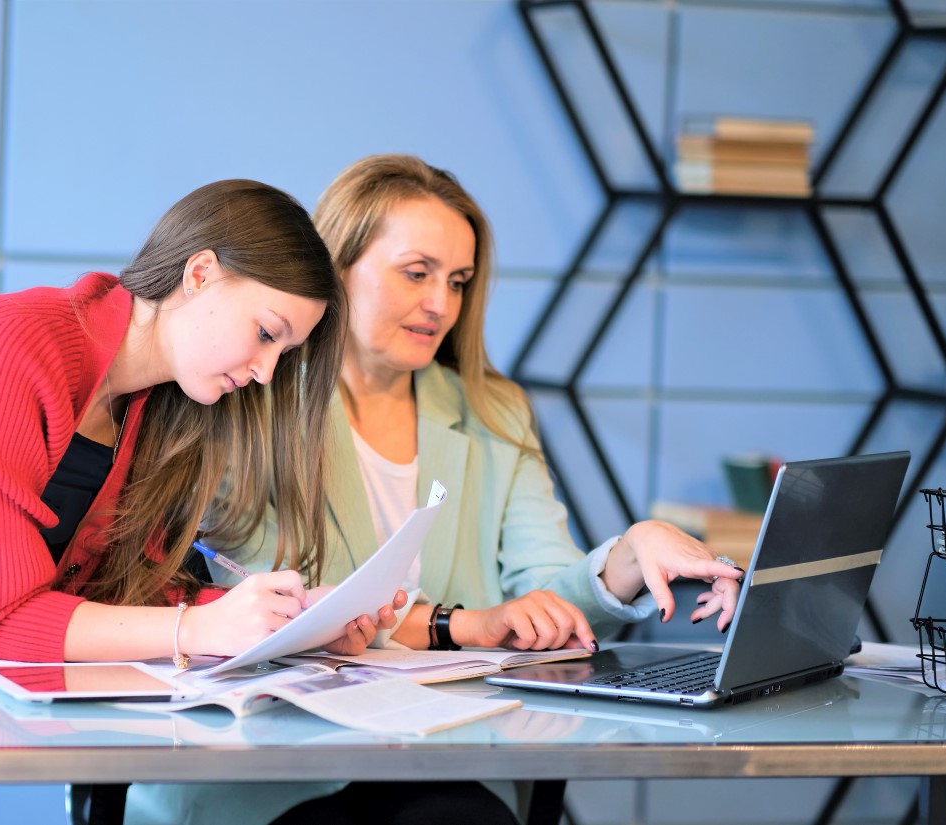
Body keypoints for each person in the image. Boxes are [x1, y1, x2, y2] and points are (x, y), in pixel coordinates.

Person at [124, 156, 744, 825]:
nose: (441, 305)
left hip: (441, 757)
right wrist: (463, 624)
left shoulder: (492, 410)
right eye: (415, 272)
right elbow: (290, 599)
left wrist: (627, 554)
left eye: (457, 281)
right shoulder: (249, 390)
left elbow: (542, 605)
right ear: (338, 267)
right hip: (270, 768)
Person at [0, 179, 399, 825]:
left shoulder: (147, 410)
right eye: (266, 332)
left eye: (283, 353)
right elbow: (2, 617)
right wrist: (198, 629)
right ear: (200, 273)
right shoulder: (13, 348)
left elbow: (118, 599)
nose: (265, 370)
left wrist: (285, 623)